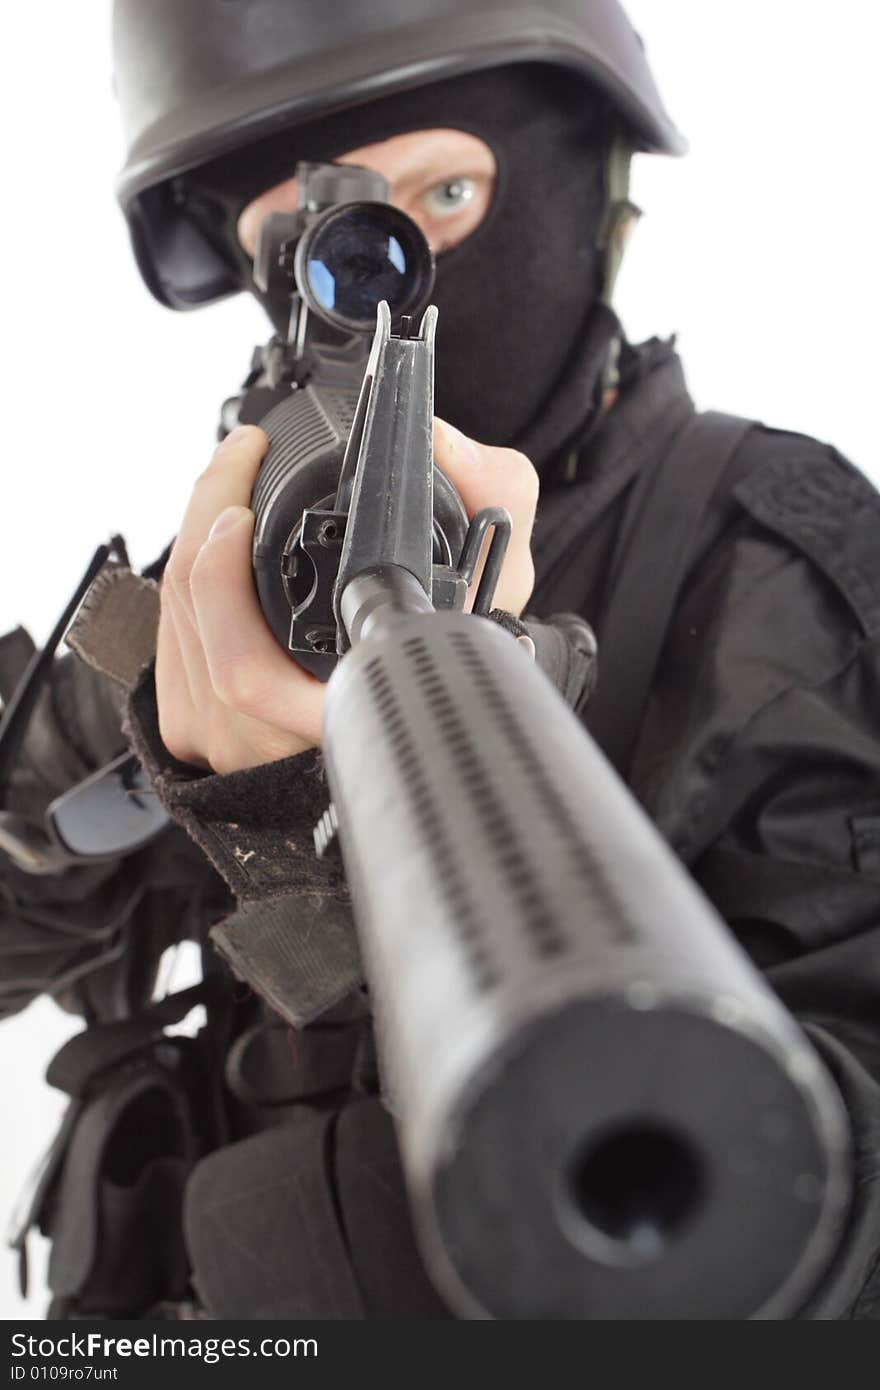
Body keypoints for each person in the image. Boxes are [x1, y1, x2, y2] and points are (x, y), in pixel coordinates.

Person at [1, 0, 879, 1319]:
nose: (366, 297)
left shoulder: (775, 567)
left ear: (594, 189)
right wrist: (89, 737)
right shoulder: (211, 588)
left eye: (448, 194)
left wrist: (320, 859)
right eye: (286, 246)